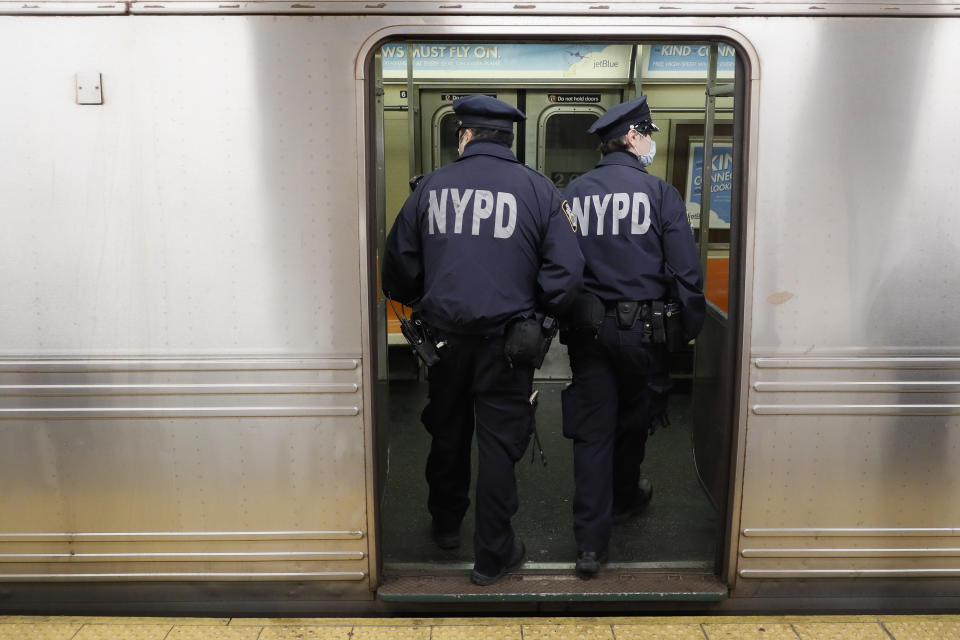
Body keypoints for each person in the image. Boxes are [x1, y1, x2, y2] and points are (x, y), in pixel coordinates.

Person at [381, 95, 584, 586]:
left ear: (464, 135)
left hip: (444, 342)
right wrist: (538, 314)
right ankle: (493, 555)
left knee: (447, 429)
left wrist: (425, 295)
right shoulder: (537, 190)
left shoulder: (429, 188)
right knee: (499, 444)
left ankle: (447, 523)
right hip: (507, 345)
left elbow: (398, 267)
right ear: (508, 139)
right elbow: (568, 272)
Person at [559, 95, 705, 578]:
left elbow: (561, 266)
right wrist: (689, 327)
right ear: (632, 137)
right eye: (647, 136)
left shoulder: (575, 193)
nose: (650, 146)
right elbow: (685, 268)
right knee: (635, 418)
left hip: (589, 330)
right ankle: (624, 496)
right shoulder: (660, 194)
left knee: (592, 430)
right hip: (646, 331)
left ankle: (589, 547)